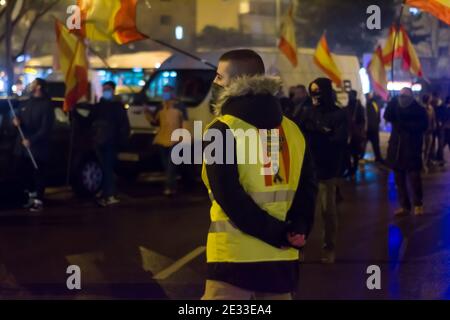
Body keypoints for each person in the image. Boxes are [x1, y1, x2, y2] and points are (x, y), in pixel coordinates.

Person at [202, 49, 317, 300]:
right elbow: (307, 188)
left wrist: (275, 233)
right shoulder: (292, 130)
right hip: (282, 259)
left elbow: (229, 197)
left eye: (219, 77)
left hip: (234, 259)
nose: (214, 82)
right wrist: (298, 228)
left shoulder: (220, 130)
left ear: (236, 82)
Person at [299, 78, 348, 264]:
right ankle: (299, 246)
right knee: (304, 211)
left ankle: (329, 247)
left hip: (328, 168)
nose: (315, 96)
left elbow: (340, 139)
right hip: (308, 168)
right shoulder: (306, 112)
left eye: (318, 91)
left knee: (328, 211)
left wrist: (320, 131)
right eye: (312, 91)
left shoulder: (339, 114)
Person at [384, 87, 428, 216]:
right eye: (400, 96)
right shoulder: (395, 107)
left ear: (411, 97)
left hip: (412, 149)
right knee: (399, 180)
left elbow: (423, 126)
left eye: (405, 96)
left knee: (414, 179)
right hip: (397, 150)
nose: (402, 98)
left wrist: (406, 125)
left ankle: (418, 204)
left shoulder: (419, 110)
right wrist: (391, 103)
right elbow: (388, 116)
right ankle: (405, 206)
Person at [13, 78, 55, 212]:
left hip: (38, 148)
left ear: (39, 87)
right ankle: (30, 196)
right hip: (22, 148)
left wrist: (32, 140)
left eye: (33, 84)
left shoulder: (47, 105)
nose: (30, 86)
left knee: (39, 174)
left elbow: (45, 128)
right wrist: (15, 121)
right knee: (23, 172)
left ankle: (38, 200)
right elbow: (18, 116)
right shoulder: (27, 102)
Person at [91, 81, 130, 207]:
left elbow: (124, 125)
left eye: (107, 89)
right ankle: (107, 192)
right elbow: (89, 120)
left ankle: (109, 194)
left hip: (112, 142)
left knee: (108, 168)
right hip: (100, 142)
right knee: (104, 168)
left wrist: (122, 141)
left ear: (113, 90)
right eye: (104, 89)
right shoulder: (98, 106)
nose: (105, 91)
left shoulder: (117, 107)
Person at [145, 85, 185, 196]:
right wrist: (147, 113)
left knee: (171, 165)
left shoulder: (180, 106)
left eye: (167, 91)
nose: (165, 93)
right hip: (162, 139)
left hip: (175, 139)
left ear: (173, 93)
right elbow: (154, 122)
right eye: (164, 91)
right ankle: (172, 186)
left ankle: (169, 187)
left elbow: (185, 122)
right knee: (166, 165)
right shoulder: (161, 107)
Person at [345, 90, 366, 177]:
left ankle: (353, 170)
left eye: (351, 95)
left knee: (354, 153)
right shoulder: (349, 106)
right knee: (348, 153)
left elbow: (362, 120)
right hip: (349, 133)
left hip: (355, 134)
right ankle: (351, 170)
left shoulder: (358, 106)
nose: (349, 96)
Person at [364, 92, 384, 164]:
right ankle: (378, 158)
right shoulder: (368, 104)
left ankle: (378, 158)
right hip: (368, 128)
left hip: (371, 128)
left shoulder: (373, 104)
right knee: (365, 145)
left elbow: (377, 115)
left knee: (375, 144)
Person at [421, 94, 437, 173]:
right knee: (422, 148)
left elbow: (433, 119)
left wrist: (434, 126)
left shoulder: (431, 108)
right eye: (429, 98)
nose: (431, 100)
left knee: (427, 149)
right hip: (422, 131)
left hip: (429, 131)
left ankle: (425, 162)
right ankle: (422, 164)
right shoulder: (421, 108)